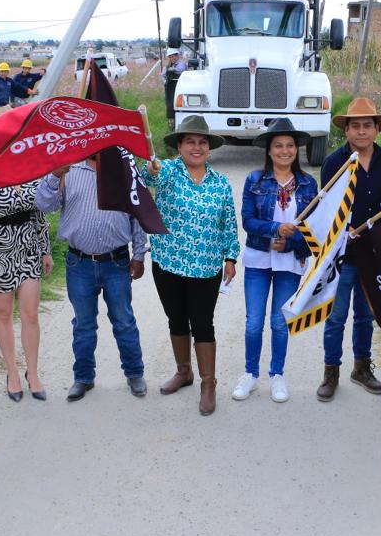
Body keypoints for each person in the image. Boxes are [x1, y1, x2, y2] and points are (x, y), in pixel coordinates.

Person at [144, 115, 239, 416]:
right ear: (180, 146)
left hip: (206, 267)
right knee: (176, 319)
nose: (196, 147)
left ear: (209, 147)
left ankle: (208, 383)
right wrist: (151, 168)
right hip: (168, 261)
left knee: (202, 324)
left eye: (202, 142)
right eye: (190, 142)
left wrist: (231, 257)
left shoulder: (221, 184)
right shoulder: (169, 171)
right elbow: (150, 176)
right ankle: (183, 371)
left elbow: (229, 224)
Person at [36, 155, 148, 402]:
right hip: (80, 262)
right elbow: (44, 205)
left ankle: (134, 372)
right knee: (84, 324)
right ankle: (83, 377)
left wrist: (139, 253)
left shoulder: (123, 168)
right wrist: (54, 175)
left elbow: (137, 211)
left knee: (124, 320)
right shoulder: (67, 168)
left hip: (116, 261)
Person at [0, 106, 53, 402]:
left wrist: (45, 249)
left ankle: (33, 372)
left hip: (28, 244)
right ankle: (12, 373)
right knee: (3, 313)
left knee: (29, 313)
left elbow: (40, 211)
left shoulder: (32, 165)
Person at [317, 97, 381, 402]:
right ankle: (330, 372)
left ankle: (361, 367)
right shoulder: (334, 163)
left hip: (373, 255)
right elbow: (325, 211)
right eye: (356, 126)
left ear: (377, 129)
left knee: (366, 316)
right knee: (336, 316)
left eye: (367, 125)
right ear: (346, 130)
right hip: (342, 256)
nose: (361, 131)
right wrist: (340, 231)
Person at [233, 119, 318, 403]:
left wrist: (292, 242)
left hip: (290, 262)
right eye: (278, 145)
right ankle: (250, 374)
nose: (285, 150)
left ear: (297, 150)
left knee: (280, 323)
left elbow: (312, 227)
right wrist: (275, 231)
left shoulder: (308, 184)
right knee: (254, 322)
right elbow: (247, 220)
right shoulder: (255, 180)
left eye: (290, 145)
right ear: (269, 150)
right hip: (258, 259)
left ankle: (277, 374)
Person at [162, 47, 186, 130]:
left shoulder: (181, 64)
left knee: (178, 105)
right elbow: (163, 74)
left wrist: (173, 69)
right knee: (169, 105)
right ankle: (171, 125)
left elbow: (181, 69)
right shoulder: (168, 66)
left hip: (179, 88)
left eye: (174, 56)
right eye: (171, 56)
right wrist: (164, 80)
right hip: (169, 89)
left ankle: (180, 124)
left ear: (177, 56)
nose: (173, 58)